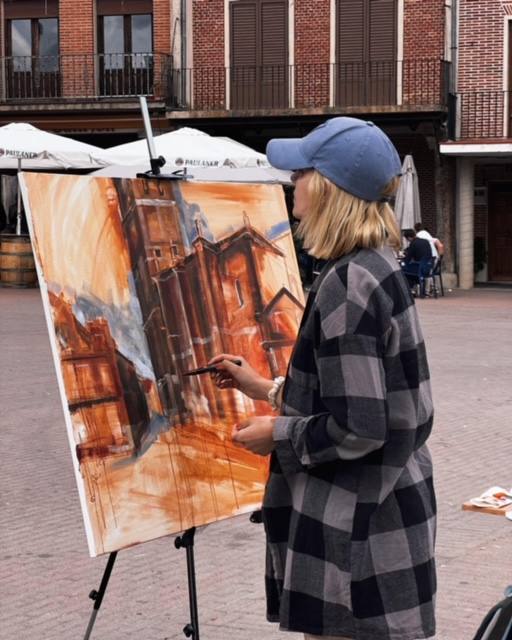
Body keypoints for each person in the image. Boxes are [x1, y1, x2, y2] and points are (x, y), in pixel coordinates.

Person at [209, 117, 436, 640]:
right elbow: (366, 396)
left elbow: (360, 426)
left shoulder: (349, 282)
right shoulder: (376, 266)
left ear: (331, 189)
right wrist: (263, 388)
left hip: (362, 535)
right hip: (385, 514)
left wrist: (277, 433)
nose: (293, 182)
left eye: (303, 172)